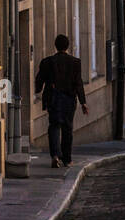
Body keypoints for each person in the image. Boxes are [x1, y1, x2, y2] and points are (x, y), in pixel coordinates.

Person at [35, 33, 87, 168]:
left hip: (53, 98)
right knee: (67, 128)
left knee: (54, 126)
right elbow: (78, 83)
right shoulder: (75, 62)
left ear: (55, 46)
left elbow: (39, 79)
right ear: (67, 46)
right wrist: (83, 102)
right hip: (69, 99)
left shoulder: (47, 62)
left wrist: (38, 89)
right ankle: (67, 159)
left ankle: (55, 155)